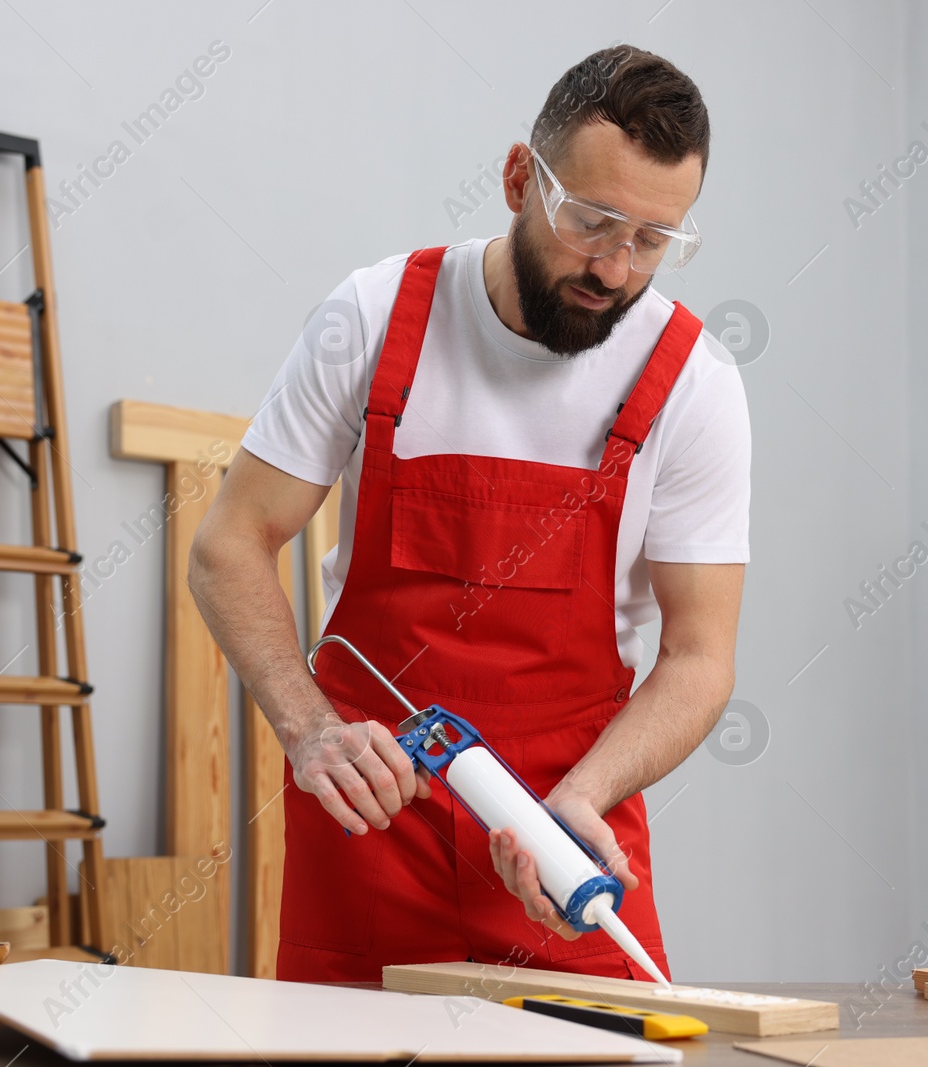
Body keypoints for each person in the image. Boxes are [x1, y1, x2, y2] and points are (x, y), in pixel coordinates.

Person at [189, 44, 750, 983]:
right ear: (520, 177)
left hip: (564, 835)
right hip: (373, 821)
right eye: (593, 221)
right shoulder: (374, 317)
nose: (615, 268)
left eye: (653, 241)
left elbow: (700, 659)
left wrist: (580, 802)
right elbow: (228, 544)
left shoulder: (693, 382)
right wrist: (309, 728)